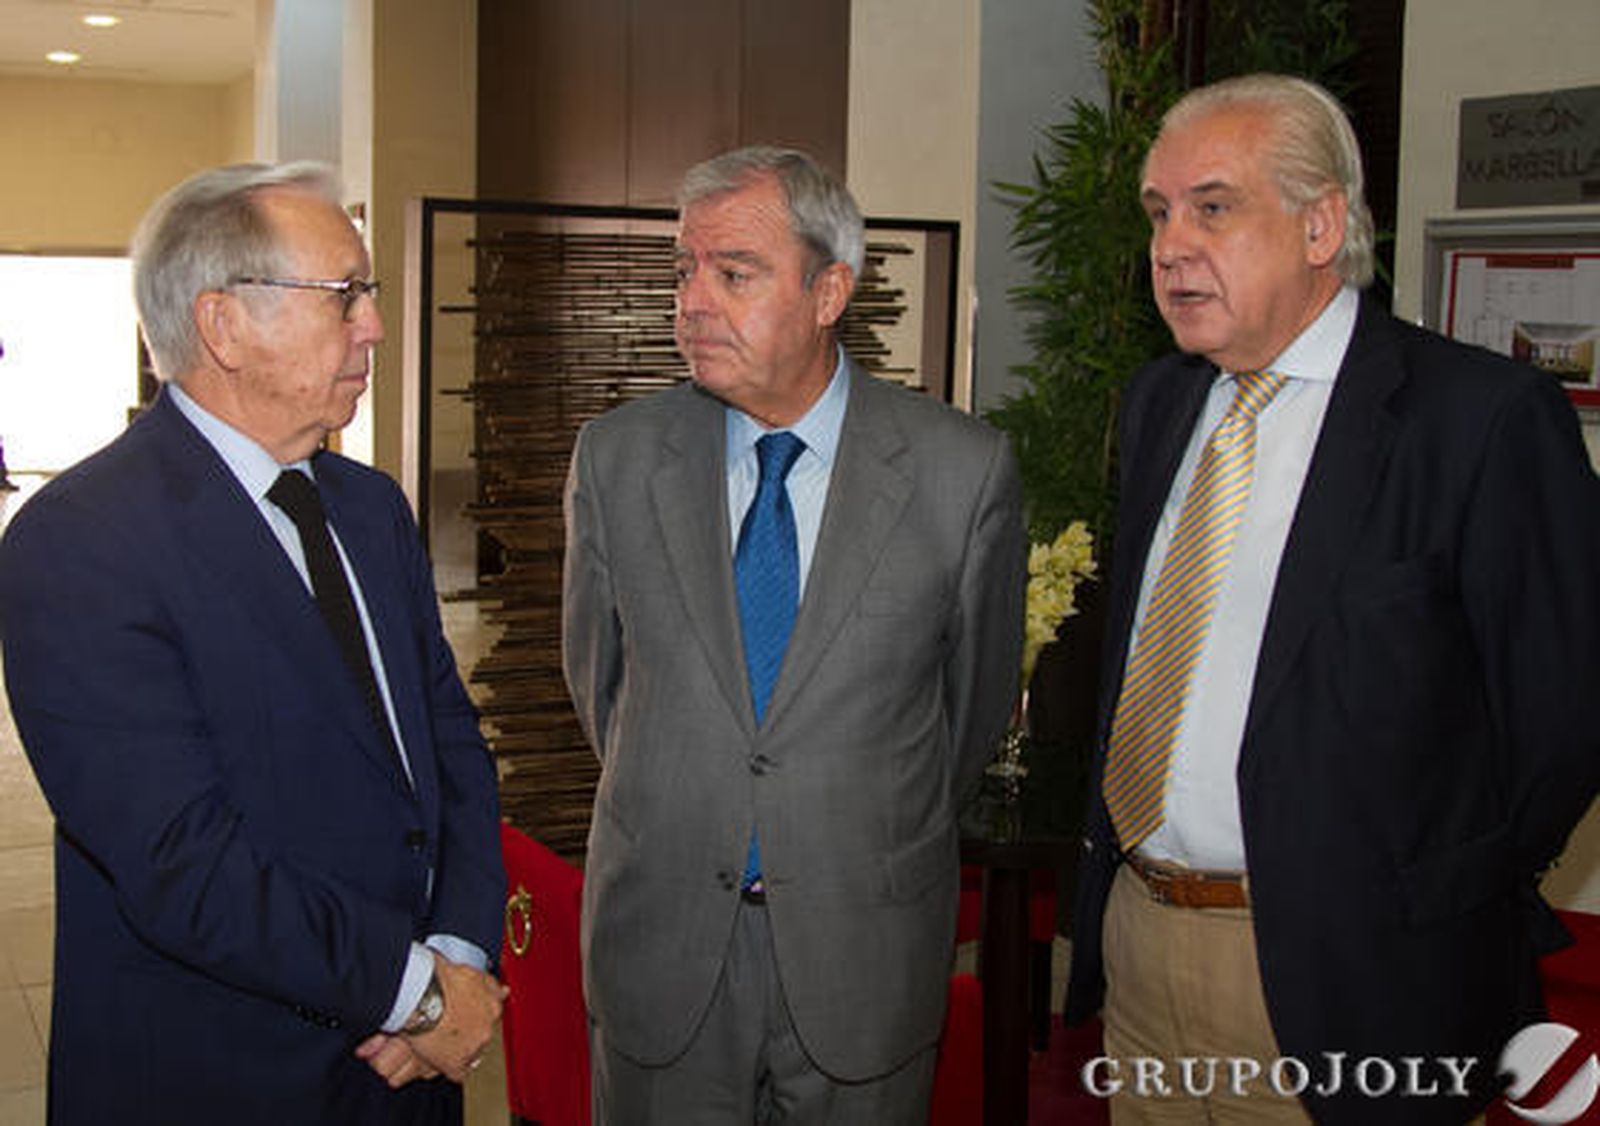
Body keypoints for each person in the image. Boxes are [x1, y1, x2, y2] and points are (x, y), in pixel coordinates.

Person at [1065, 73, 1600, 1126]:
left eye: (1212, 206)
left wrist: (1434, 894)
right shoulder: (1162, 401)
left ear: (1320, 226)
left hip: (1356, 975)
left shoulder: (1478, 420)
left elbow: (1566, 714)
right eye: (1159, 211)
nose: (1171, 244)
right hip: (1143, 935)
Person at [0, 162, 508, 1125]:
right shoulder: (83, 541)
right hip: (223, 1071)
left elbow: (450, 754)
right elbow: (182, 863)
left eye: (370, 294)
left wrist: (461, 952)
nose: (376, 326)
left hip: (406, 1072)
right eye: (345, 295)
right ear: (223, 325)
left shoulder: (369, 508)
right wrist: (419, 992)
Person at [562, 146, 1027, 1123]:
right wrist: (712, 786)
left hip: (865, 947)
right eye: (684, 270)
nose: (692, 300)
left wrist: (834, 809)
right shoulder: (617, 459)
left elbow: (964, 719)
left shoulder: (960, 475)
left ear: (829, 291)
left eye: (733, 273)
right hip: (665, 943)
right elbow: (603, 690)